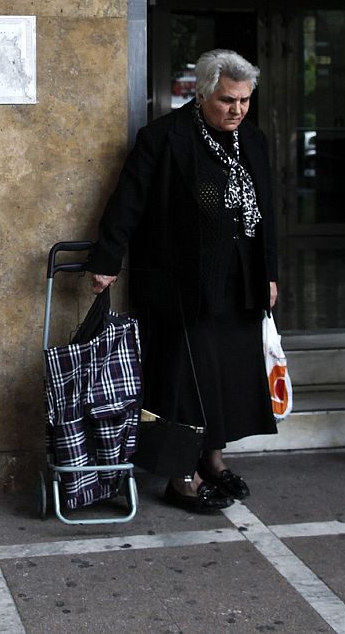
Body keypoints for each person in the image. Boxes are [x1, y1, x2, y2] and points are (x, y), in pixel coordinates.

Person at [87, 49, 279, 513]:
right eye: (227, 100)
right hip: (182, 282)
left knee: (227, 375)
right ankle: (181, 476)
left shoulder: (252, 140)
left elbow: (267, 213)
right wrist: (106, 258)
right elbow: (128, 200)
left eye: (245, 101)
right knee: (182, 378)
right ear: (202, 93)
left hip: (239, 281)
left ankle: (213, 460)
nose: (237, 110)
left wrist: (270, 273)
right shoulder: (165, 137)